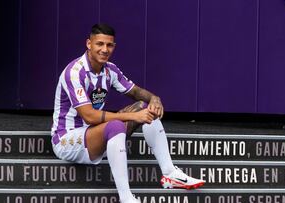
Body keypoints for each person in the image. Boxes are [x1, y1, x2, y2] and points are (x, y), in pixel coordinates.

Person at [51, 23, 205, 203]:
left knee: (146, 107)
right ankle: (126, 198)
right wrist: (132, 116)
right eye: (99, 44)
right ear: (89, 44)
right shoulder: (75, 73)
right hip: (67, 140)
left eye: (109, 45)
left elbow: (136, 92)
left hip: (95, 133)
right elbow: (89, 116)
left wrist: (154, 98)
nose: (104, 49)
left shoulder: (110, 70)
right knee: (116, 125)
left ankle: (170, 173)